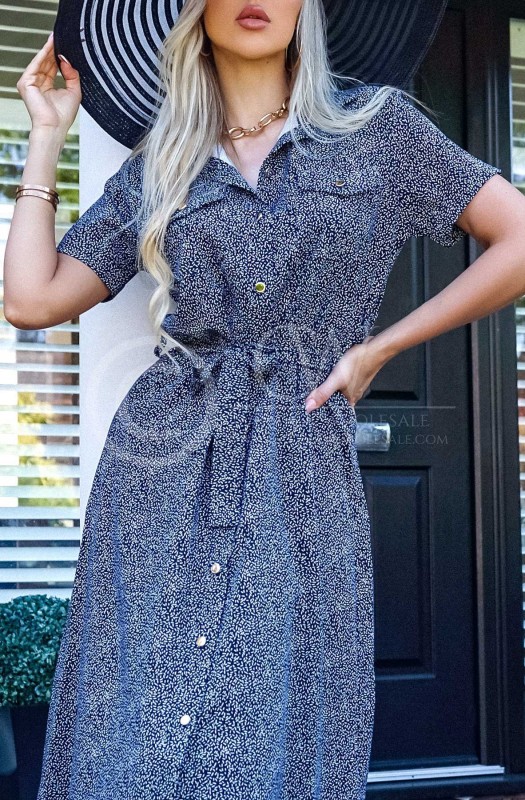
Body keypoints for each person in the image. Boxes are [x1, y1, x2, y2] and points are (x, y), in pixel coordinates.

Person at [4, 1, 524, 798]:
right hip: (163, 459)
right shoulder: (162, 165)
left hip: (300, 454)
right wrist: (47, 135)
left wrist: (379, 348)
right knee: (139, 707)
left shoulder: (377, 130)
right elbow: (31, 300)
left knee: (278, 703)